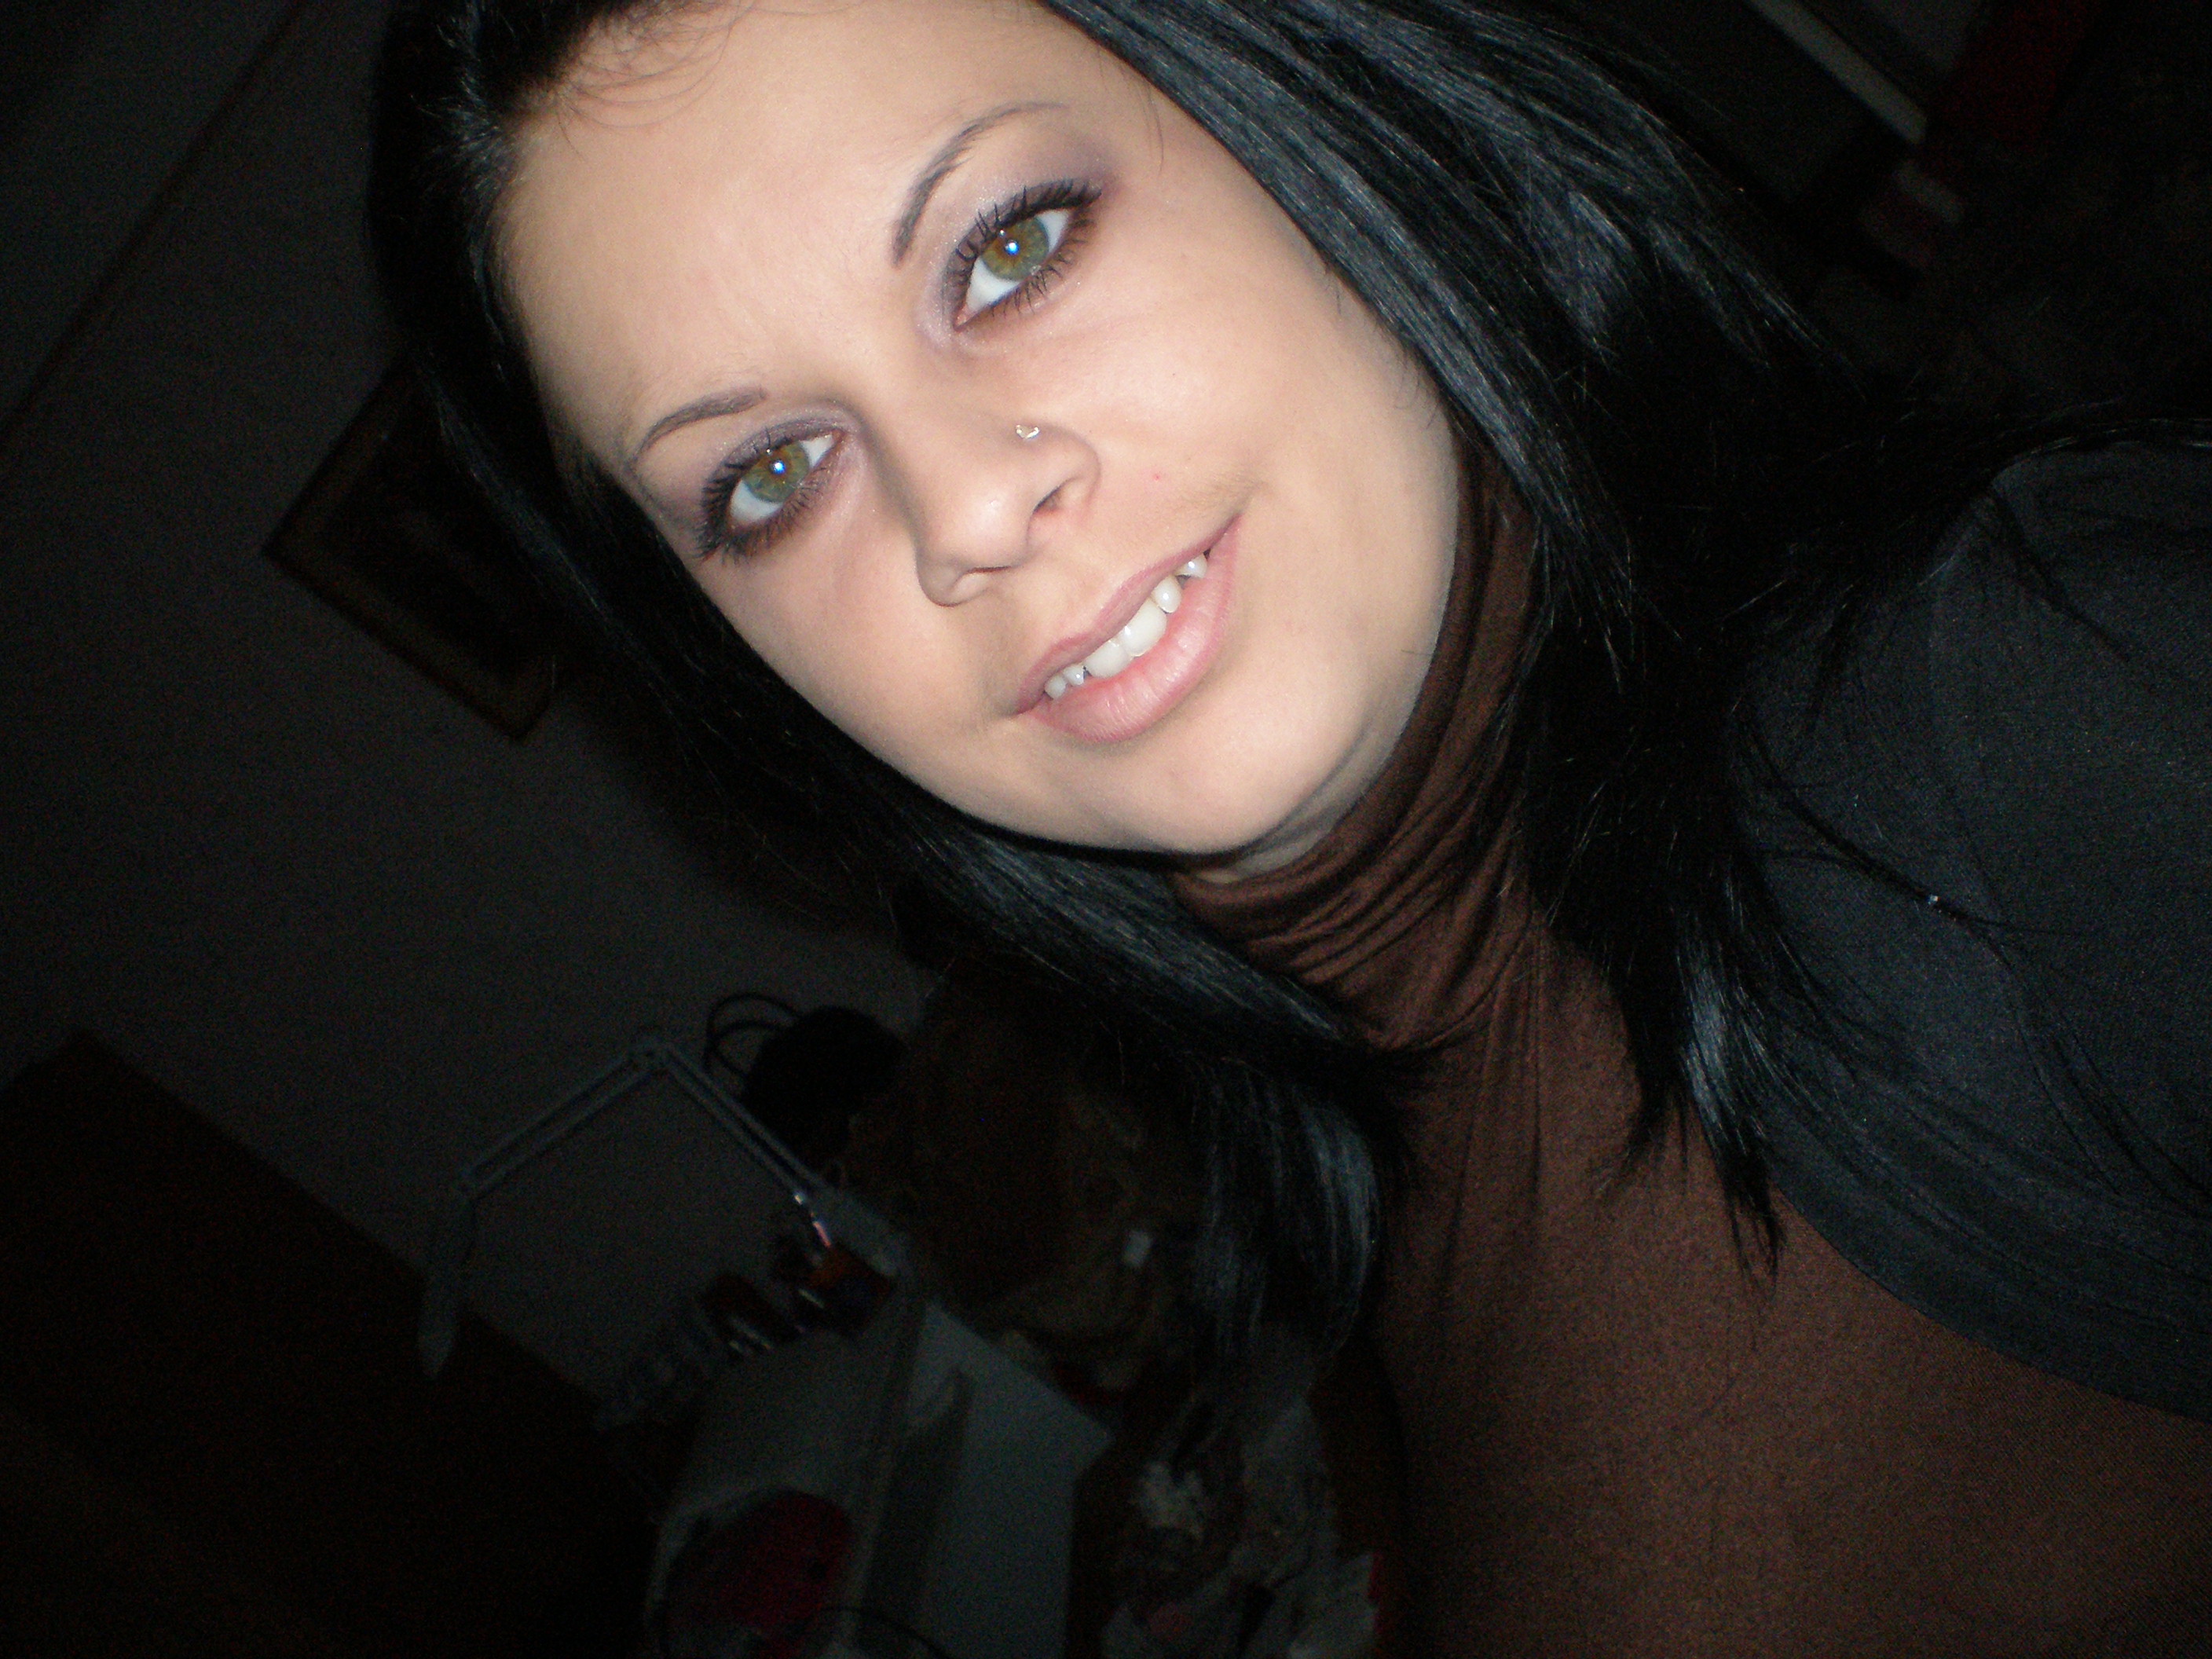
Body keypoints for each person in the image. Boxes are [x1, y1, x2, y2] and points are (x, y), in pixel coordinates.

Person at [368, 0, 2212, 1648]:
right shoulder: (1382, 1123)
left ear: (1297, 104)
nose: (965, 513)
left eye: (1011, 246)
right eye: (770, 476)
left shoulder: (2027, 717)